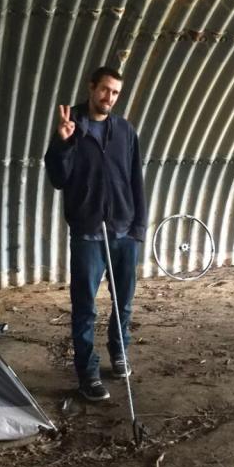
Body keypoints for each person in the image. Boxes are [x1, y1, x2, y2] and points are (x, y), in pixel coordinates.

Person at [44, 66, 147, 401]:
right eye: (104, 90)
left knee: (124, 302)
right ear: (91, 87)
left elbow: (136, 182)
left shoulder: (125, 131)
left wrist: (138, 229)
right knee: (85, 306)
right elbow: (58, 178)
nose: (109, 98)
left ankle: (119, 351)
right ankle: (87, 373)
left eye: (115, 92)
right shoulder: (72, 126)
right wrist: (63, 142)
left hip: (123, 231)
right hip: (88, 233)